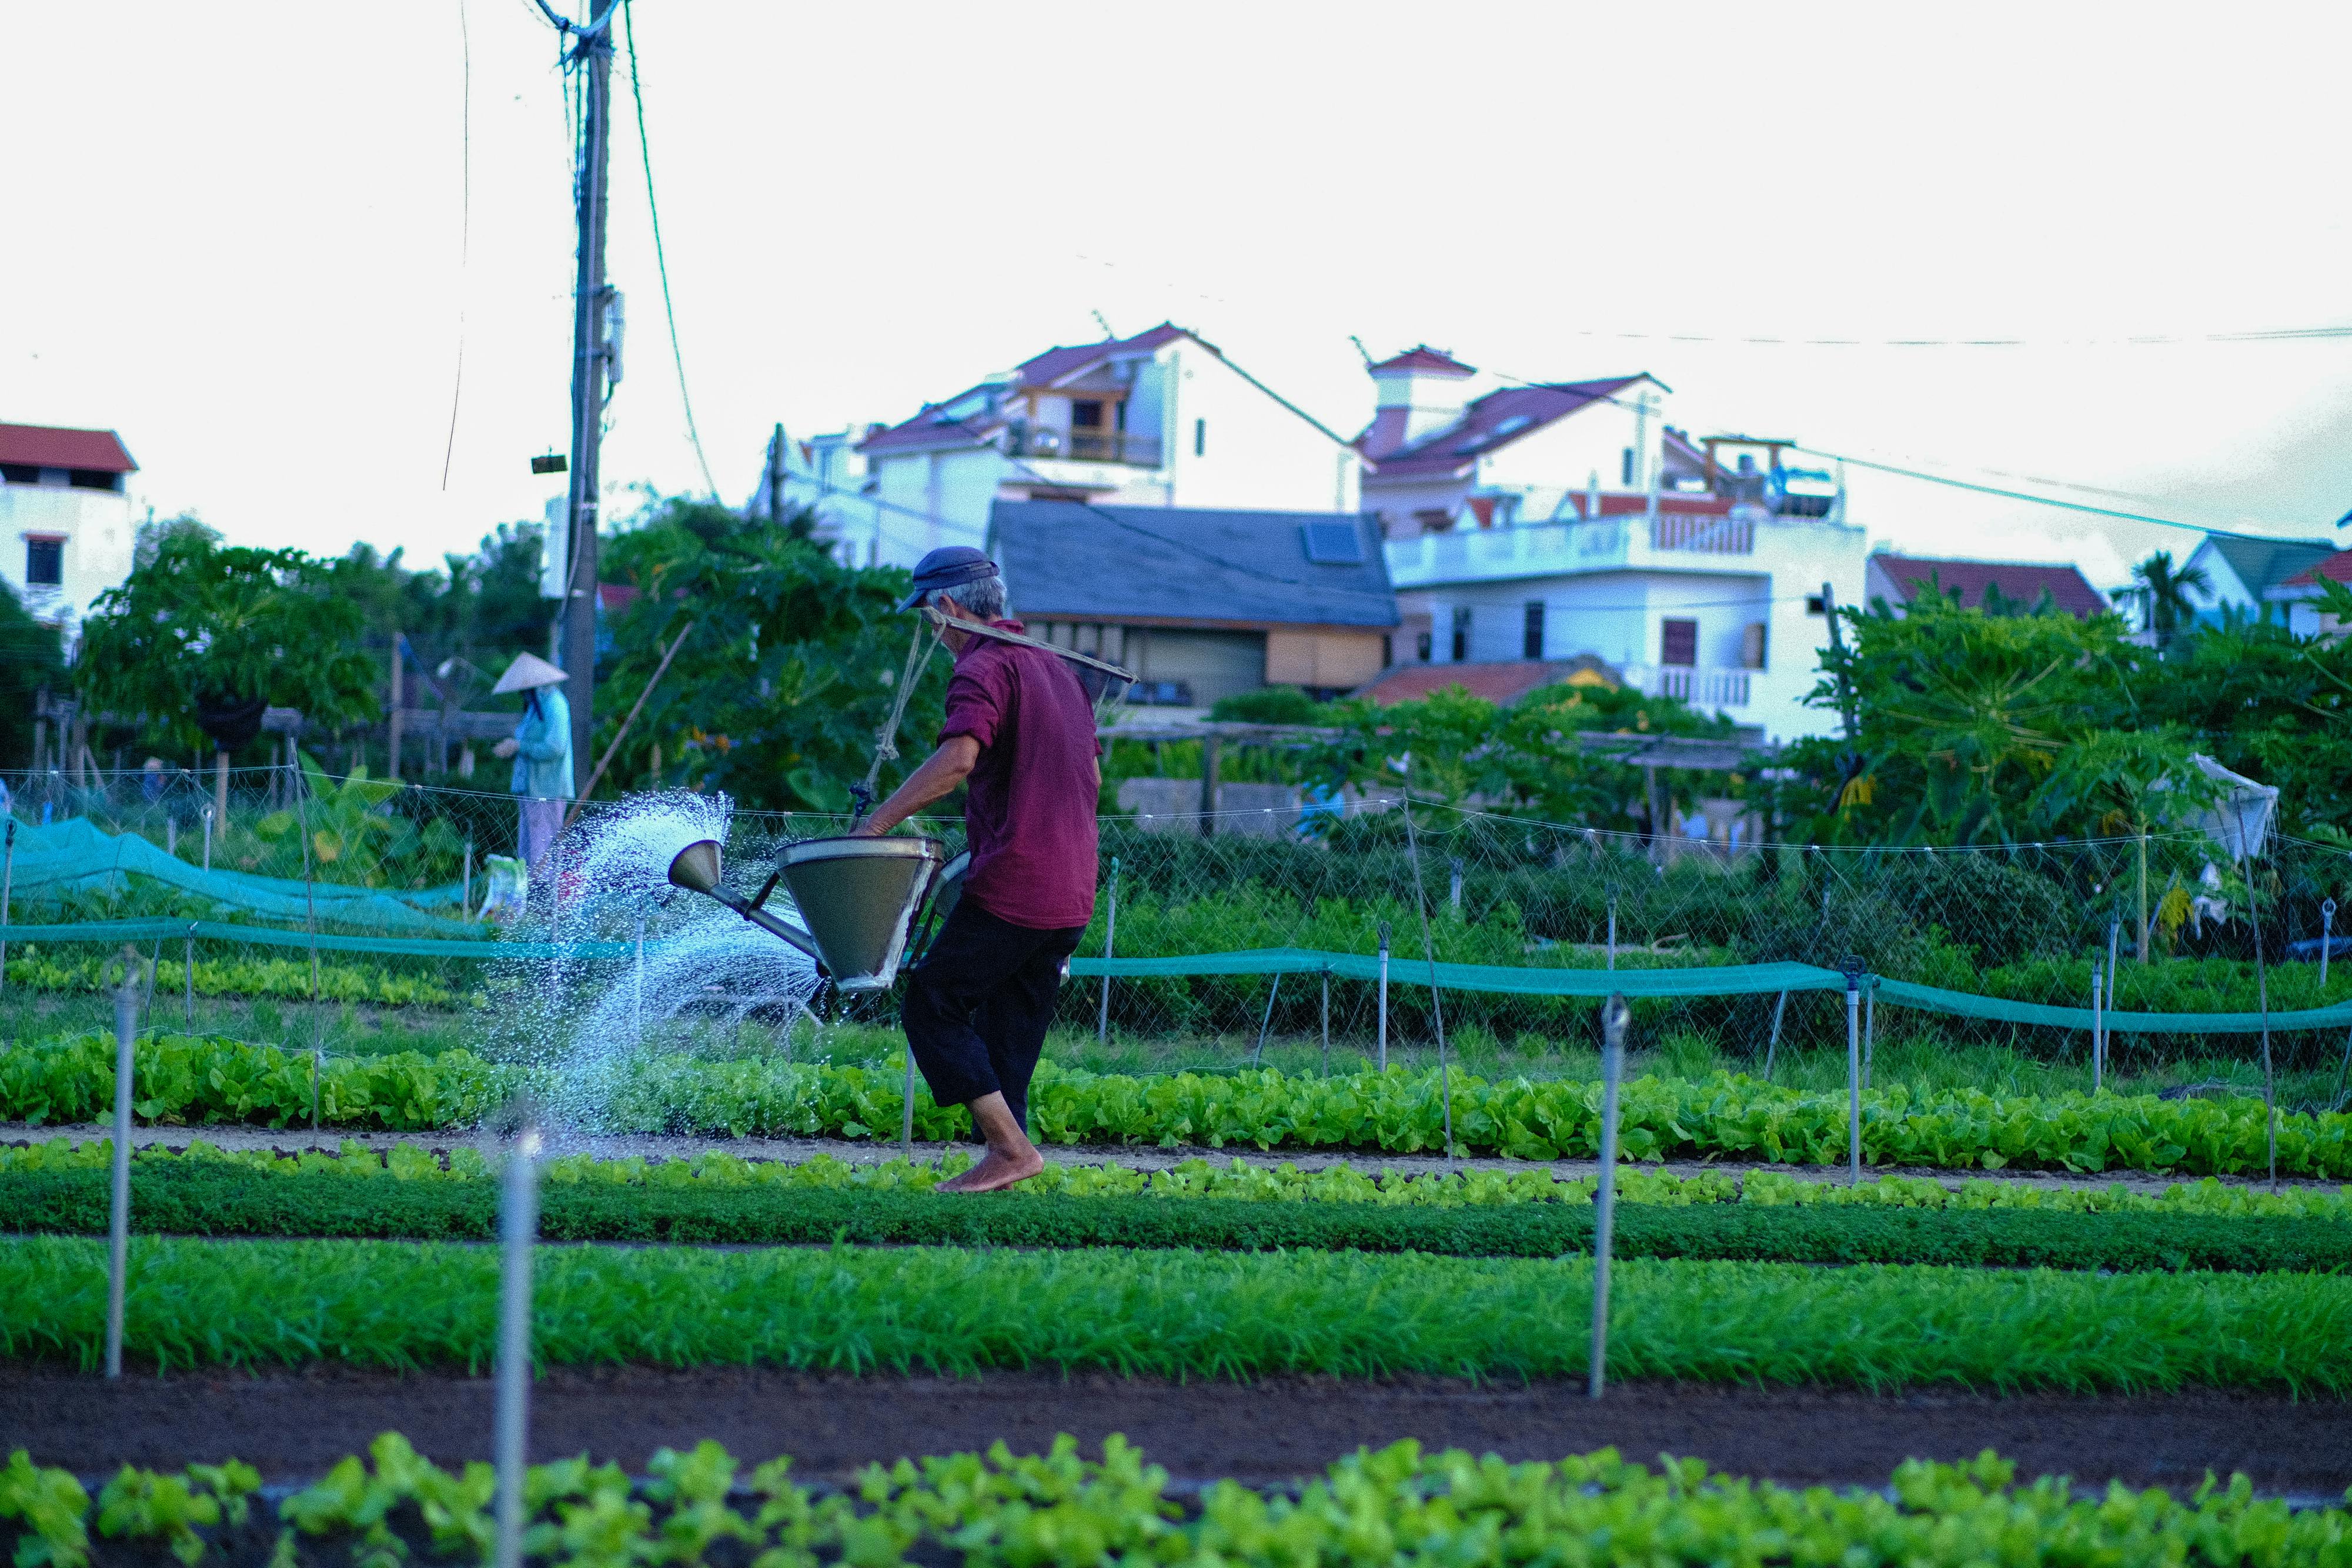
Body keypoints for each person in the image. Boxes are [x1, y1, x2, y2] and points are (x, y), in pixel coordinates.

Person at [851, 547, 1100, 1193]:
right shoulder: (1058, 669)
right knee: (1008, 1028)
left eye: (929, 618)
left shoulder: (983, 666)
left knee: (933, 1003)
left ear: (946, 608)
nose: (932, 633)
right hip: (1074, 889)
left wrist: (874, 825)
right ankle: (1006, 1161)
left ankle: (1011, 1151)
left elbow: (959, 760)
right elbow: (1090, 776)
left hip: (1017, 883)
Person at [491, 653, 573, 869]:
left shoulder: (554, 704)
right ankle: (529, 889)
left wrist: (520, 746)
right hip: (531, 789)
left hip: (547, 790)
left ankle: (543, 890)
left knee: (542, 853)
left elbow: (555, 747)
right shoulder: (536, 707)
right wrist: (514, 746)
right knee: (527, 852)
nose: (522, 694)